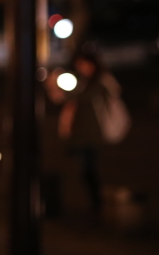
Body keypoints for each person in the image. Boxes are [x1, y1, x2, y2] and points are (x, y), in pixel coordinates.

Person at [45, 49, 129, 214]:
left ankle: (97, 203)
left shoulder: (100, 82)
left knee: (88, 170)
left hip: (90, 134)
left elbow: (80, 97)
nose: (80, 67)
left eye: (82, 64)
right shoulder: (83, 81)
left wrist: (62, 88)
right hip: (81, 133)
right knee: (83, 169)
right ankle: (94, 203)